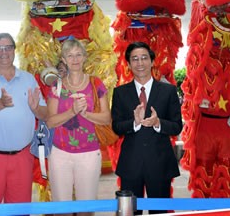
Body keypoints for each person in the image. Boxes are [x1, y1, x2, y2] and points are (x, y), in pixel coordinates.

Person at [0, 33, 47, 204]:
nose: (4, 52)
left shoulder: (28, 78)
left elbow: (45, 114)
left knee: (19, 210)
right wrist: (1, 103)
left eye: (8, 47)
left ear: (14, 50)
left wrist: (36, 108)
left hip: (22, 157)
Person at [111, 42, 183, 215]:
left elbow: (176, 126)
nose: (140, 63)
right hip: (131, 163)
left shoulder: (168, 91)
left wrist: (158, 123)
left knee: (159, 212)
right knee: (130, 212)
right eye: (134, 59)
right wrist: (134, 123)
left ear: (152, 61)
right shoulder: (120, 92)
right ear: (128, 64)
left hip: (160, 163)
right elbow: (116, 126)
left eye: (144, 58)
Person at [46, 39, 110, 216]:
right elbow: (50, 122)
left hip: (89, 154)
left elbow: (106, 118)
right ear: (64, 60)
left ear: (84, 57)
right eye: (70, 55)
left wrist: (85, 114)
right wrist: (72, 111)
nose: (74, 59)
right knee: (61, 209)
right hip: (60, 153)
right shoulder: (56, 86)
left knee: (86, 209)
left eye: (78, 54)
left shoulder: (96, 84)